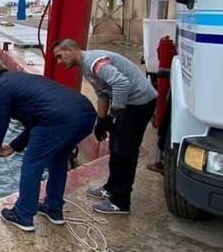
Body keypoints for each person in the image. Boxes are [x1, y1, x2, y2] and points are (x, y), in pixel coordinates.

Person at [0, 66, 96, 232]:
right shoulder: (24, 81)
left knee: (32, 165)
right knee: (58, 160)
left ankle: (23, 215)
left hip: (57, 119)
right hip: (85, 114)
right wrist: (14, 146)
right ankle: (53, 209)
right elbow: (38, 121)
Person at [51, 38, 157, 215]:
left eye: (60, 56)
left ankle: (120, 202)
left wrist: (113, 115)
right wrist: (101, 120)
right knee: (115, 146)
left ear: (70, 50)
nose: (59, 62)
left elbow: (122, 84)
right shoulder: (86, 68)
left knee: (125, 151)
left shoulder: (95, 63)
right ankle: (111, 188)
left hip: (138, 103)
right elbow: (102, 94)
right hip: (126, 104)